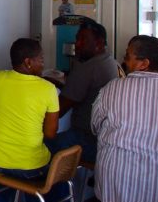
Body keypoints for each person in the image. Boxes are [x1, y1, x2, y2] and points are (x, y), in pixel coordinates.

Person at [0, 38, 60, 202]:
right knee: (36, 192)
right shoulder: (48, 89)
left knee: (0, 193)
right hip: (31, 166)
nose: (43, 63)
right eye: (41, 59)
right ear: (28, 62)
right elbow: (50, 133)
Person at [92, 35, 158, 202]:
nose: (123, 61)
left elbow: (95, 126)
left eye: (127, 56)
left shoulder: (112, 88)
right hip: (157, 193)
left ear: (144, 63)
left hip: (113, 186)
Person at [46, 21, 119, 163]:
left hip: (86, 139)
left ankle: (49, 185)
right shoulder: (109, 61)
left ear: (99, 43)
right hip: (104, 138)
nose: (77, 44)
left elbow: (59, 109)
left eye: (82, 40)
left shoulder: (88, 67)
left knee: (38, 146)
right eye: (77, 39)